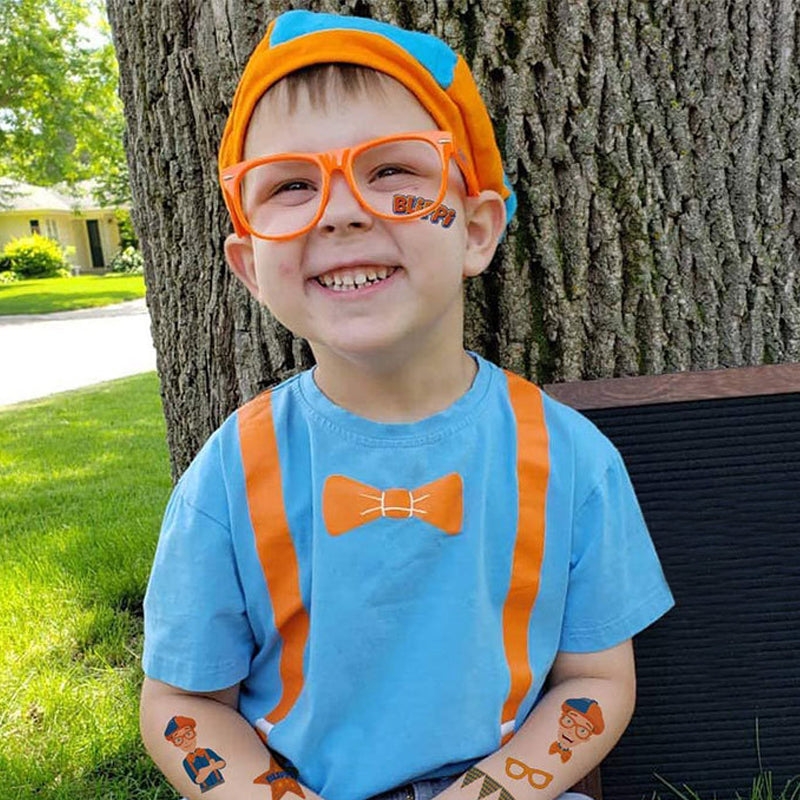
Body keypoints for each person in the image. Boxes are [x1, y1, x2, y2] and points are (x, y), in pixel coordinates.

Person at [138, 10, 675, 800]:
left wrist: (498, 787)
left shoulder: (571, 458)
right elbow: (181, 704)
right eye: (292, 184)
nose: (342, 208)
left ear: (479, 231)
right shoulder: (229, 475)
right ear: (251, 267)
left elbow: (596, 683)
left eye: (394, 171)